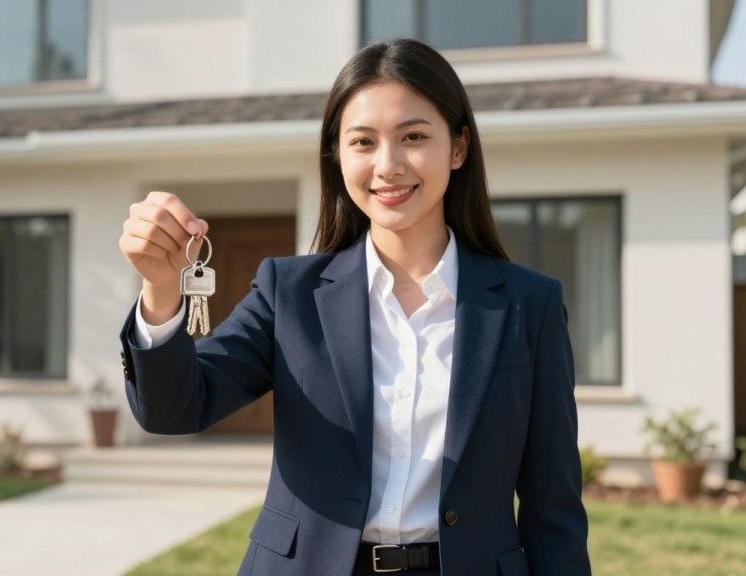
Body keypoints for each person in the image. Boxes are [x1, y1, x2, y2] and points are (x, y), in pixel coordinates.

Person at [117, 39, 590, 576]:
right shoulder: (287, 293)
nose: (388, 166)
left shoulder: (529, 305)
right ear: (338, 156)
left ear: (458, 148)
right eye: (363, 142)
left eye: (414, 137)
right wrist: (160, 290)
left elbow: (554, 509)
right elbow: (174, 409)